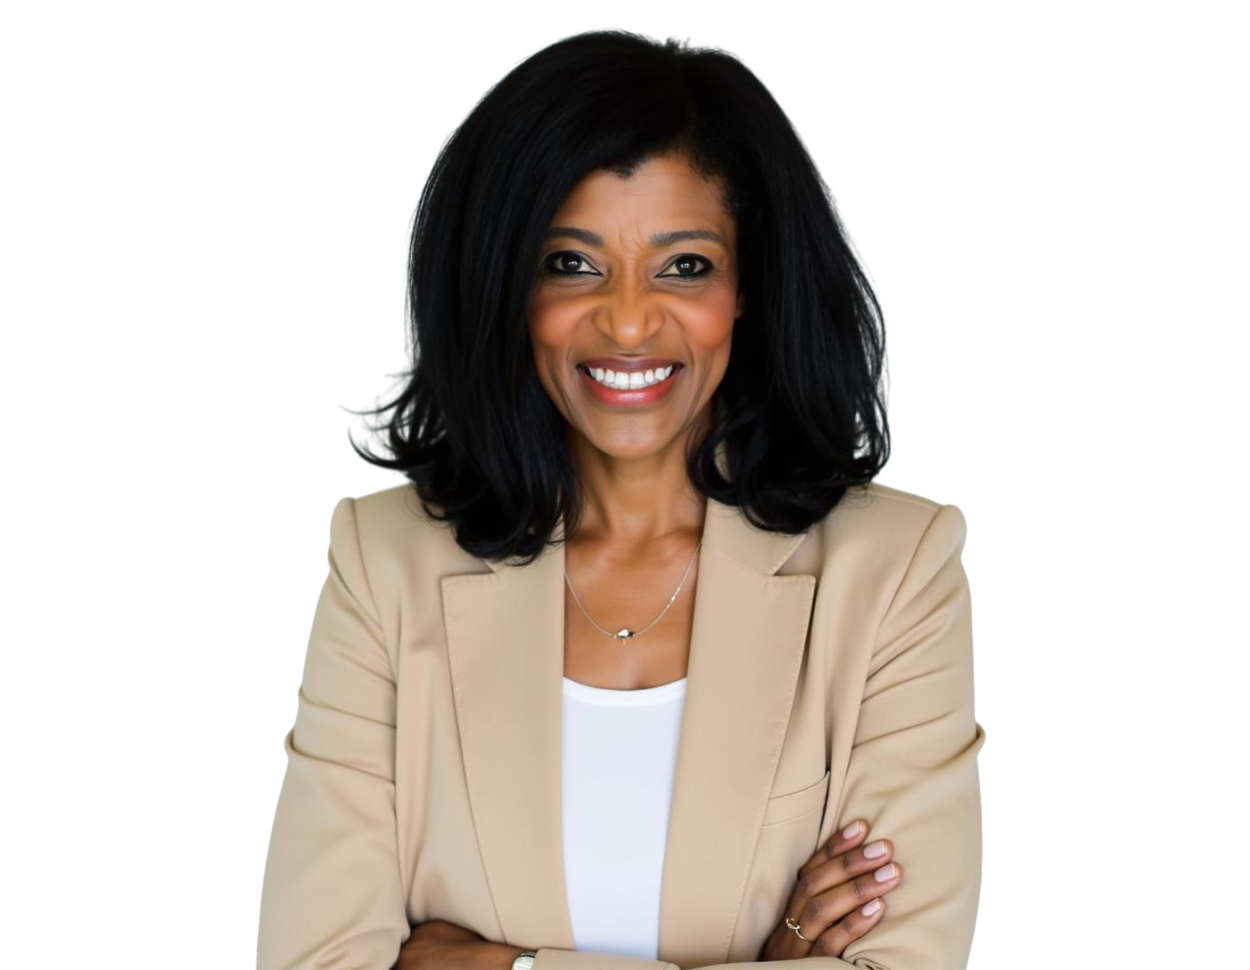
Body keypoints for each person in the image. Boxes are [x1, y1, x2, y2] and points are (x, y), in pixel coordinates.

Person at [256, 28, 985, 970]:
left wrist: (492, 967)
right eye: (571, 263)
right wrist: (781, 956)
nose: (631, 320)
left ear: (747, 287)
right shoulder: (380, 559)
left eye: (685, 266)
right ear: (504, 286)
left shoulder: (897, 568)